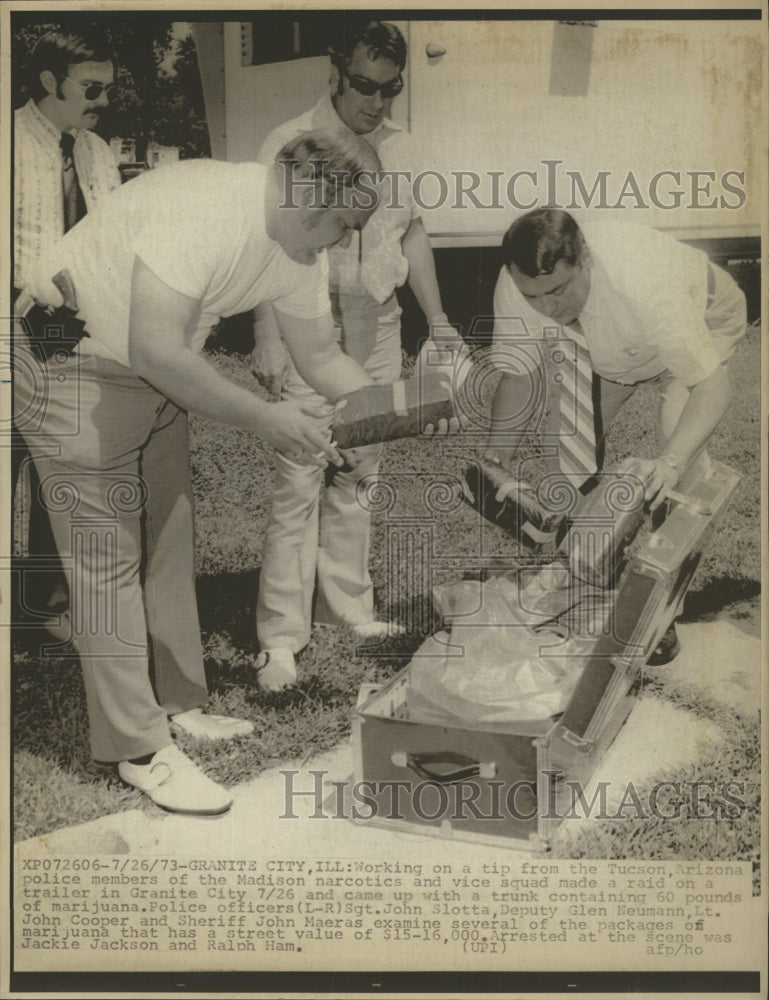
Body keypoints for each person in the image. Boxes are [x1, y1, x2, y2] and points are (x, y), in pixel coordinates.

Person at [15, 130, 383, 815]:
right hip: (71, 359)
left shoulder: (298, 249)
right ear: (313, 201)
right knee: (107, 559)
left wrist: (371, 411)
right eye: (344, 224)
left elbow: (320, 352)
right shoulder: (210, 208)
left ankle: (178, 706)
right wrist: (265, 418)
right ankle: (140, 751)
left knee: (168, 535)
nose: (344, 241)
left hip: (150, 365)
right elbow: (157, 347)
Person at [252, 19, 464, 691]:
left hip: (377, 322)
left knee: (358, 475)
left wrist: (437, 320)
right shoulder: (288, 141)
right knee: (299, 478)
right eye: (365, 86)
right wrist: (265, 334)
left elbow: (413, 232)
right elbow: (267, 243)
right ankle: (280, 638)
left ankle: (348, 610)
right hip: (303, 320)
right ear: (336, 74)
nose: (377, 102)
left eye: (390, 88)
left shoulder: (405, 145)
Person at [486, 208, 746, 664]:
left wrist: (667, 462)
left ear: (585, 260)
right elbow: (518, 375)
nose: (546, 308)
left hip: (703, 318)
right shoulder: (515, 286)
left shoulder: (639, 276)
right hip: (619, 348)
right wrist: (495, 458)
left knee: (678, 470)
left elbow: (711, 385)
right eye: (534, 296)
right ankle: (580, 579)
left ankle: (657, 615)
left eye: (557, 291)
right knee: (565, 455)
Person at [13, 29, 121, 625]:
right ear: (49, 82)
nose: (102, 100)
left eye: (109, 88)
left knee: (64, 466)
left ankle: (46, 608)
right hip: (12, 319)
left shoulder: (97, 151)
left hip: (71, 329)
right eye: (91, 87)